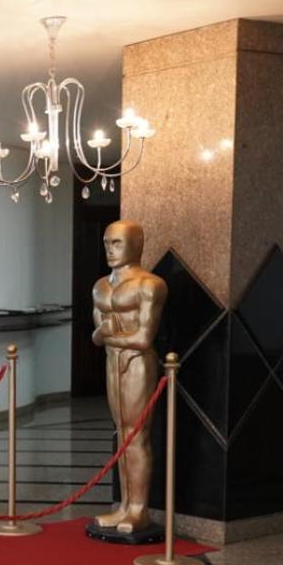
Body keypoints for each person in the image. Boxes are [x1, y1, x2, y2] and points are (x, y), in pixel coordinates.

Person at [90, 220, 168, 535]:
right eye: (107, 243)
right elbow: (96, 337)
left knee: (137, 435)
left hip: (137, 364)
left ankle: (139, 509)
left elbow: (144, 338)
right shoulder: (100, 286)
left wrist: (108, 333)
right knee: (122, 434)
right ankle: (124, 505)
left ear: (136, 245)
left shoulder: (150, 285)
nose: (110, 249)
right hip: (113, 362)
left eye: (117, 243)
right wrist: (106, 334)